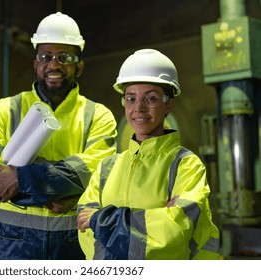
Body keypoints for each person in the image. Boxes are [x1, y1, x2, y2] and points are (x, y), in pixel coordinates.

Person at [0, 12, 117, 260]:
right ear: (35, 64)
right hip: (11, 247)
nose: (54, 65)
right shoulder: (5, 110)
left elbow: (95, 171)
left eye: (64, 57)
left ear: (79, 66)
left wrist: (20, 178)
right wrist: (45, 193)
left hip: (72, 247)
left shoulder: (97, 116)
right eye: (46, 57)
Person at [77, 49, 220, 260]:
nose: (139, 109)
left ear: (168, 105)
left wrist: (101, 220)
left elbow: (175, 231)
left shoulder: (186, 165)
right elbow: (84, 226)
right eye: (131, 98)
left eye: (151, 98)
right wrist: (153, 219)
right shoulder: (107, 168)